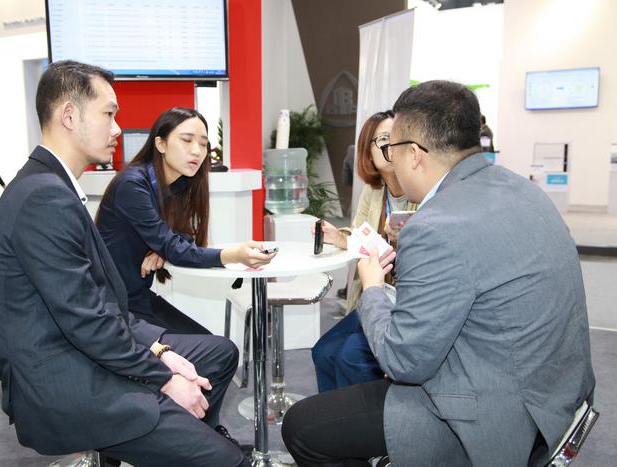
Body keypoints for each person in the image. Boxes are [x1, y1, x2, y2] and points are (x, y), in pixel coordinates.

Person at [282, 80, 595, 467]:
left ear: (414, 154)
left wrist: (374, 288)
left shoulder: (434, 225)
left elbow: (401, 359)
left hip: (495, 416)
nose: (391, 161)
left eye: (392, 149)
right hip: (555, 395)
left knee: (302, 426)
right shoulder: (522, 190)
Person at [0, 60, 250, 467]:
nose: (117, 129)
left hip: (86, 348)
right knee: (228, 460)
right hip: (67, 376)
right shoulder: (45, 198)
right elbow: (88, 322)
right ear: (69, 116)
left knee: (215, 356)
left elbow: (100, 305)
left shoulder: (50, 186)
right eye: (109, 114)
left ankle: (183, 443)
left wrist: (161, 349)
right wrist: (163, 376)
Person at [96, 107, 274, 334]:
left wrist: (161, 248)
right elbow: (175, 247)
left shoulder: (177, 185)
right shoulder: (133, 185)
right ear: (160, 144)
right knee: (220, 350)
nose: (197, 151)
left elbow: (180, 237)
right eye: (187, 140)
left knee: (214, 344)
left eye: (203, 144)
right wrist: (234, 255)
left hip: (137, 298)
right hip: (113, 308)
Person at [311, 110, 417, 392]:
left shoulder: (419, 190)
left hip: (404, 301)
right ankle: (332, 416)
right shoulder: (374, 192)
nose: (391, 145)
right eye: (382, 139)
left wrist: (405, 239)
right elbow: (360, 234)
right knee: (323, 351)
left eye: (395, 137)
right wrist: (338, 236)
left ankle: (362, 417)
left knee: (349, 358)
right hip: (377, 293)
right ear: (368, 153)